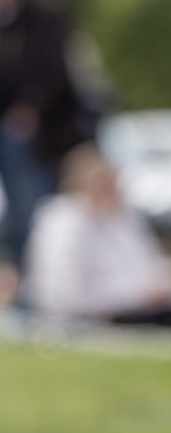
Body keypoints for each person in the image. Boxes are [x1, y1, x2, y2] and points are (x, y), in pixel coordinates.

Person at [26, 144, 171, 319]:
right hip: (93, 317)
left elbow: (149, 267)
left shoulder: (123, 215)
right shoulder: (64, 220)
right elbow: (63, 294)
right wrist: (139, 294)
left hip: (138, 308)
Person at [0, 0, 93, 273]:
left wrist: (29, 107)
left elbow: (51, 73)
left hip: (38, 136)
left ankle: (36, 275)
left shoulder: (45, 20)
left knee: (33, 213)